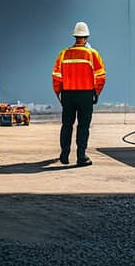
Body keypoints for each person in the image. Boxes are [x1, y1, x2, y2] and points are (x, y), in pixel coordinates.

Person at [52, 21, 106, 166]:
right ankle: (81, 156)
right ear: (86, 37)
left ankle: (64, 155)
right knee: (83, 126)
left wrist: (58, 93)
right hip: (85, 94)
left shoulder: (63, 54)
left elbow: (56, 76)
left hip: (68, 94)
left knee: (67, 125)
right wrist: (96, 92)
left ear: (75, 36)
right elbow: (100, 76)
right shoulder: (92, 54)